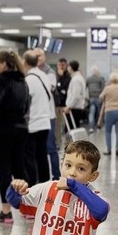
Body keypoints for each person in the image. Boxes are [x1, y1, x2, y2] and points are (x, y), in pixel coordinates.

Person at [0, 51, 30, 223]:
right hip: (20, 128)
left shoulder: (1, 81)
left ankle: (6, 212)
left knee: (4, 170)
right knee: (19, 169)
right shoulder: (22, 81)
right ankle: (28, 207)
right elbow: (26, 105)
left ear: (4, 64)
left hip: (1, 130)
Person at [24, 51, 53, 187]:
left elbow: (26, 102)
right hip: (45, 122)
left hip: (32, 124)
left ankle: (32, 185)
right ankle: (45, 184)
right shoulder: (44, 76)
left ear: (25, 62)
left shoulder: (29, 79)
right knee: (42, 155)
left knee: (30, 157)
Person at [35, 48, 61, 180]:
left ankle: (56, 176)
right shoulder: (32, 72)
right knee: (38, 149)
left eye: (40, 56)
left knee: (51, 147)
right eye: (36, 56)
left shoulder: (49, 73)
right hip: (36, 117)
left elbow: (49, 88)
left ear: (44, 57)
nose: (38, 58)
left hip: (48, 116)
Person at [99, 72, 118, 157]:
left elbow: (101, 97)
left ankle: (109, 149)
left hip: (109, 111)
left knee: (108, 131)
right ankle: (117, 149)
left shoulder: (107, 88)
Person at [63, 60, 87, 128]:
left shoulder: (76, 79)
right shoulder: (78, 78)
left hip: (74, 109)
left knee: (71, 130)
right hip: (75, 108)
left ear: (71, 68)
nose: (67, 69)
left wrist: (69, 106)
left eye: (68, 67)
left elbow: (75, 95)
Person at [54, 58, 71, 145]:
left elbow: (65, 86)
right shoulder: (54, 75)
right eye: (59, 65)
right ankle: (57, 142)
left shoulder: (67, 76)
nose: (61, 67)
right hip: (56, 103)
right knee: (57, 125)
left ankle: (63, 142)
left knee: (64, 125)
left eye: (63, 65)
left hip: (64, 103)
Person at [85, 66, 105, 133]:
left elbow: (85, 87)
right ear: (97, 72)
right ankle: (98, 126)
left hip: (91, 98)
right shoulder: (100, 79)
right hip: (98, 98)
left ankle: (91, 127)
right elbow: (103, 89)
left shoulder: (88, 79)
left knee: (91, 112)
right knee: (99, 113)